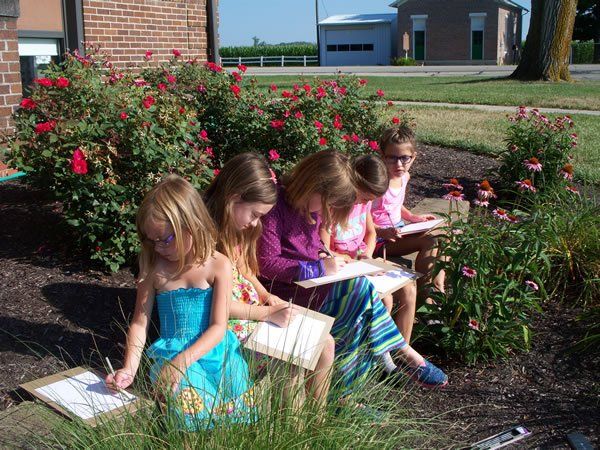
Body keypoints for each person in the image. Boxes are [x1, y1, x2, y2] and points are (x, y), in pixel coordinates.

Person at [257, 150, 447, 390]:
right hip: (289, 296)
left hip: (316, 289)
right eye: (328, 201)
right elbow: (267, 264)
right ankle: (397, 351)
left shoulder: (309, 206)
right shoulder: (275, 210)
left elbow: (315, 245)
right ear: (313, 185)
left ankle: (351, 393)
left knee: (358, 307)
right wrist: (315, 268)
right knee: (359, 296)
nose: (328, 209)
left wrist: (326, 256)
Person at [105, 175, 255, 429]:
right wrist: (129, 369)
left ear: (192, 224)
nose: (159, 248)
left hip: (217, 352)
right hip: (171, 356)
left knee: (237, 407)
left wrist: (182, 362)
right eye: (152, 241)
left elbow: (219, 327)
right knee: (191, 414)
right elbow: (140, 325)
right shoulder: (153, 268)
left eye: (166, 239)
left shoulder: (219, 264)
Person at [204, 152, 334, 406]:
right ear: (233, 198)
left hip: (252, 315)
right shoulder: (205, 239)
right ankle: (293, 437)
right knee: (293, 358)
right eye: (254, 214)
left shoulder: (234, 229)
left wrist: (266, 296)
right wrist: (266, 313)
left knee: (325, 342)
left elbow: (245, 270)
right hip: (230, 331)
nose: (255, 224)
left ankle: (317, 425)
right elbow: (215, 308)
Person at [320, 153, 418, 344]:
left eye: (370, 200)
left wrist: (367, 254)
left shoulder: (362, 206)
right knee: (386, 299)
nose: (366, 203)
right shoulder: (333, 209)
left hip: (363, 261)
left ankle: (402, 349)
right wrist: (356, 261)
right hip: (344, 268)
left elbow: (371, 233)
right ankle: (379, 353)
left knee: (409, 286)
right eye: (364, 198)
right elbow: (324, 249)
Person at [371, 125, 446, 299]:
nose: (398, 164)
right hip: (380, 239)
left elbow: (396, 205)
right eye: (392, 158)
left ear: (413, 158)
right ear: (382, 156)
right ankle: (425, 294)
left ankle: (439, 283)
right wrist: (380, 230)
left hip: (399, 230)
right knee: (430, 240)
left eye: (404, 158)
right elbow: (363, 215)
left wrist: (412, 217)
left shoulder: (404, 176)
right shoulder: (379, 184)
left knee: (445, 231)